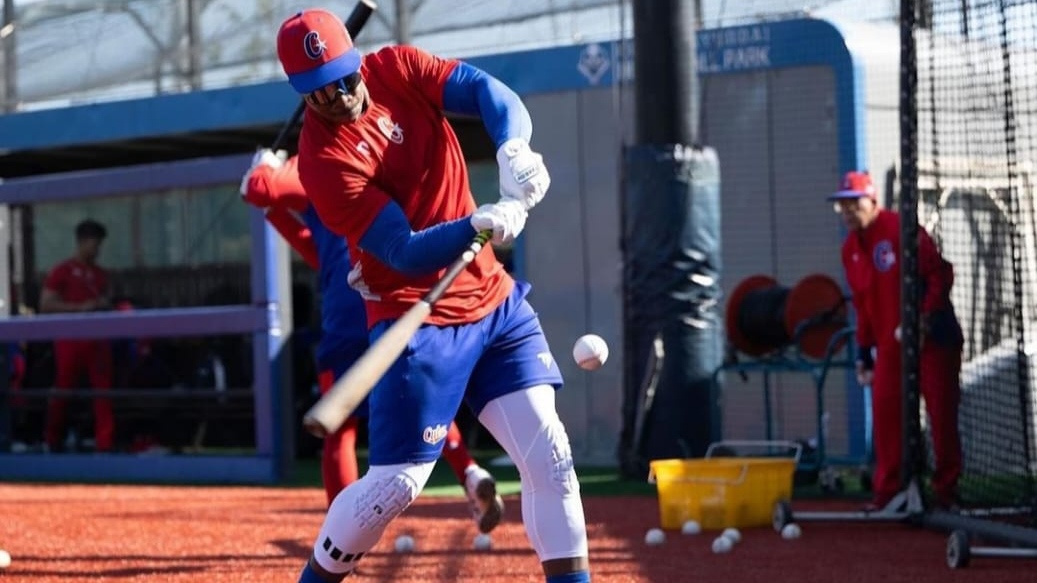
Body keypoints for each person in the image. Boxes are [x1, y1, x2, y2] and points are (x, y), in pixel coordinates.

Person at [274, 9, 590, 582]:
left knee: (552, 458)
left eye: (346, 77)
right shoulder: (323, 163)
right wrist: (475, 224)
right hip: (416, 322)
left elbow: (487, 91)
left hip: (495, 305)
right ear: (303, 95)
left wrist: (513, 149)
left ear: (356, 62)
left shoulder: (396, 66)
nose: (341, 95)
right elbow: (402, 249)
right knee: (395, 486)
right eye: (321, 92)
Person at [240, 151, 505, 532]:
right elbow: (318, 249)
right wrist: (271, 208)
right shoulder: (384, 156)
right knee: (423, 402)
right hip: (397, 302)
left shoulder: (315, 161)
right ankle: (468, 470)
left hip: (348, 314)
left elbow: (261, 189)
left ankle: (344, 531)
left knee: (341, 427)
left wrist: (264, 166)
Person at [830, 171, 963, 510]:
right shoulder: (850, 250)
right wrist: (863, 351)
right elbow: (863, 304)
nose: (847, 211)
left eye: (853, 203)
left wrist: (923, 317)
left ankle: (946, 492)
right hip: (891, 345)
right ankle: (889, 491)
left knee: (940, 415)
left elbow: (939, 274)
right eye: (842, 206)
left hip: (932, 339)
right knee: (887, 410)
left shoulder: (900, 229)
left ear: (872, 201)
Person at [39, 219, 115, 453]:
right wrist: (81, 308)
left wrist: (103, 305)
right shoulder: (62, 270)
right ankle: (51, 440)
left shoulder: (100, 274)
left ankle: (105, 444)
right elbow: (46, 304)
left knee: (103, 392)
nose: (97, 249)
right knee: (63, 390)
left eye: (100, 244)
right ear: (82, 242)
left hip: (97, 340)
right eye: (94, 243)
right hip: (70, 339)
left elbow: (107, 301)